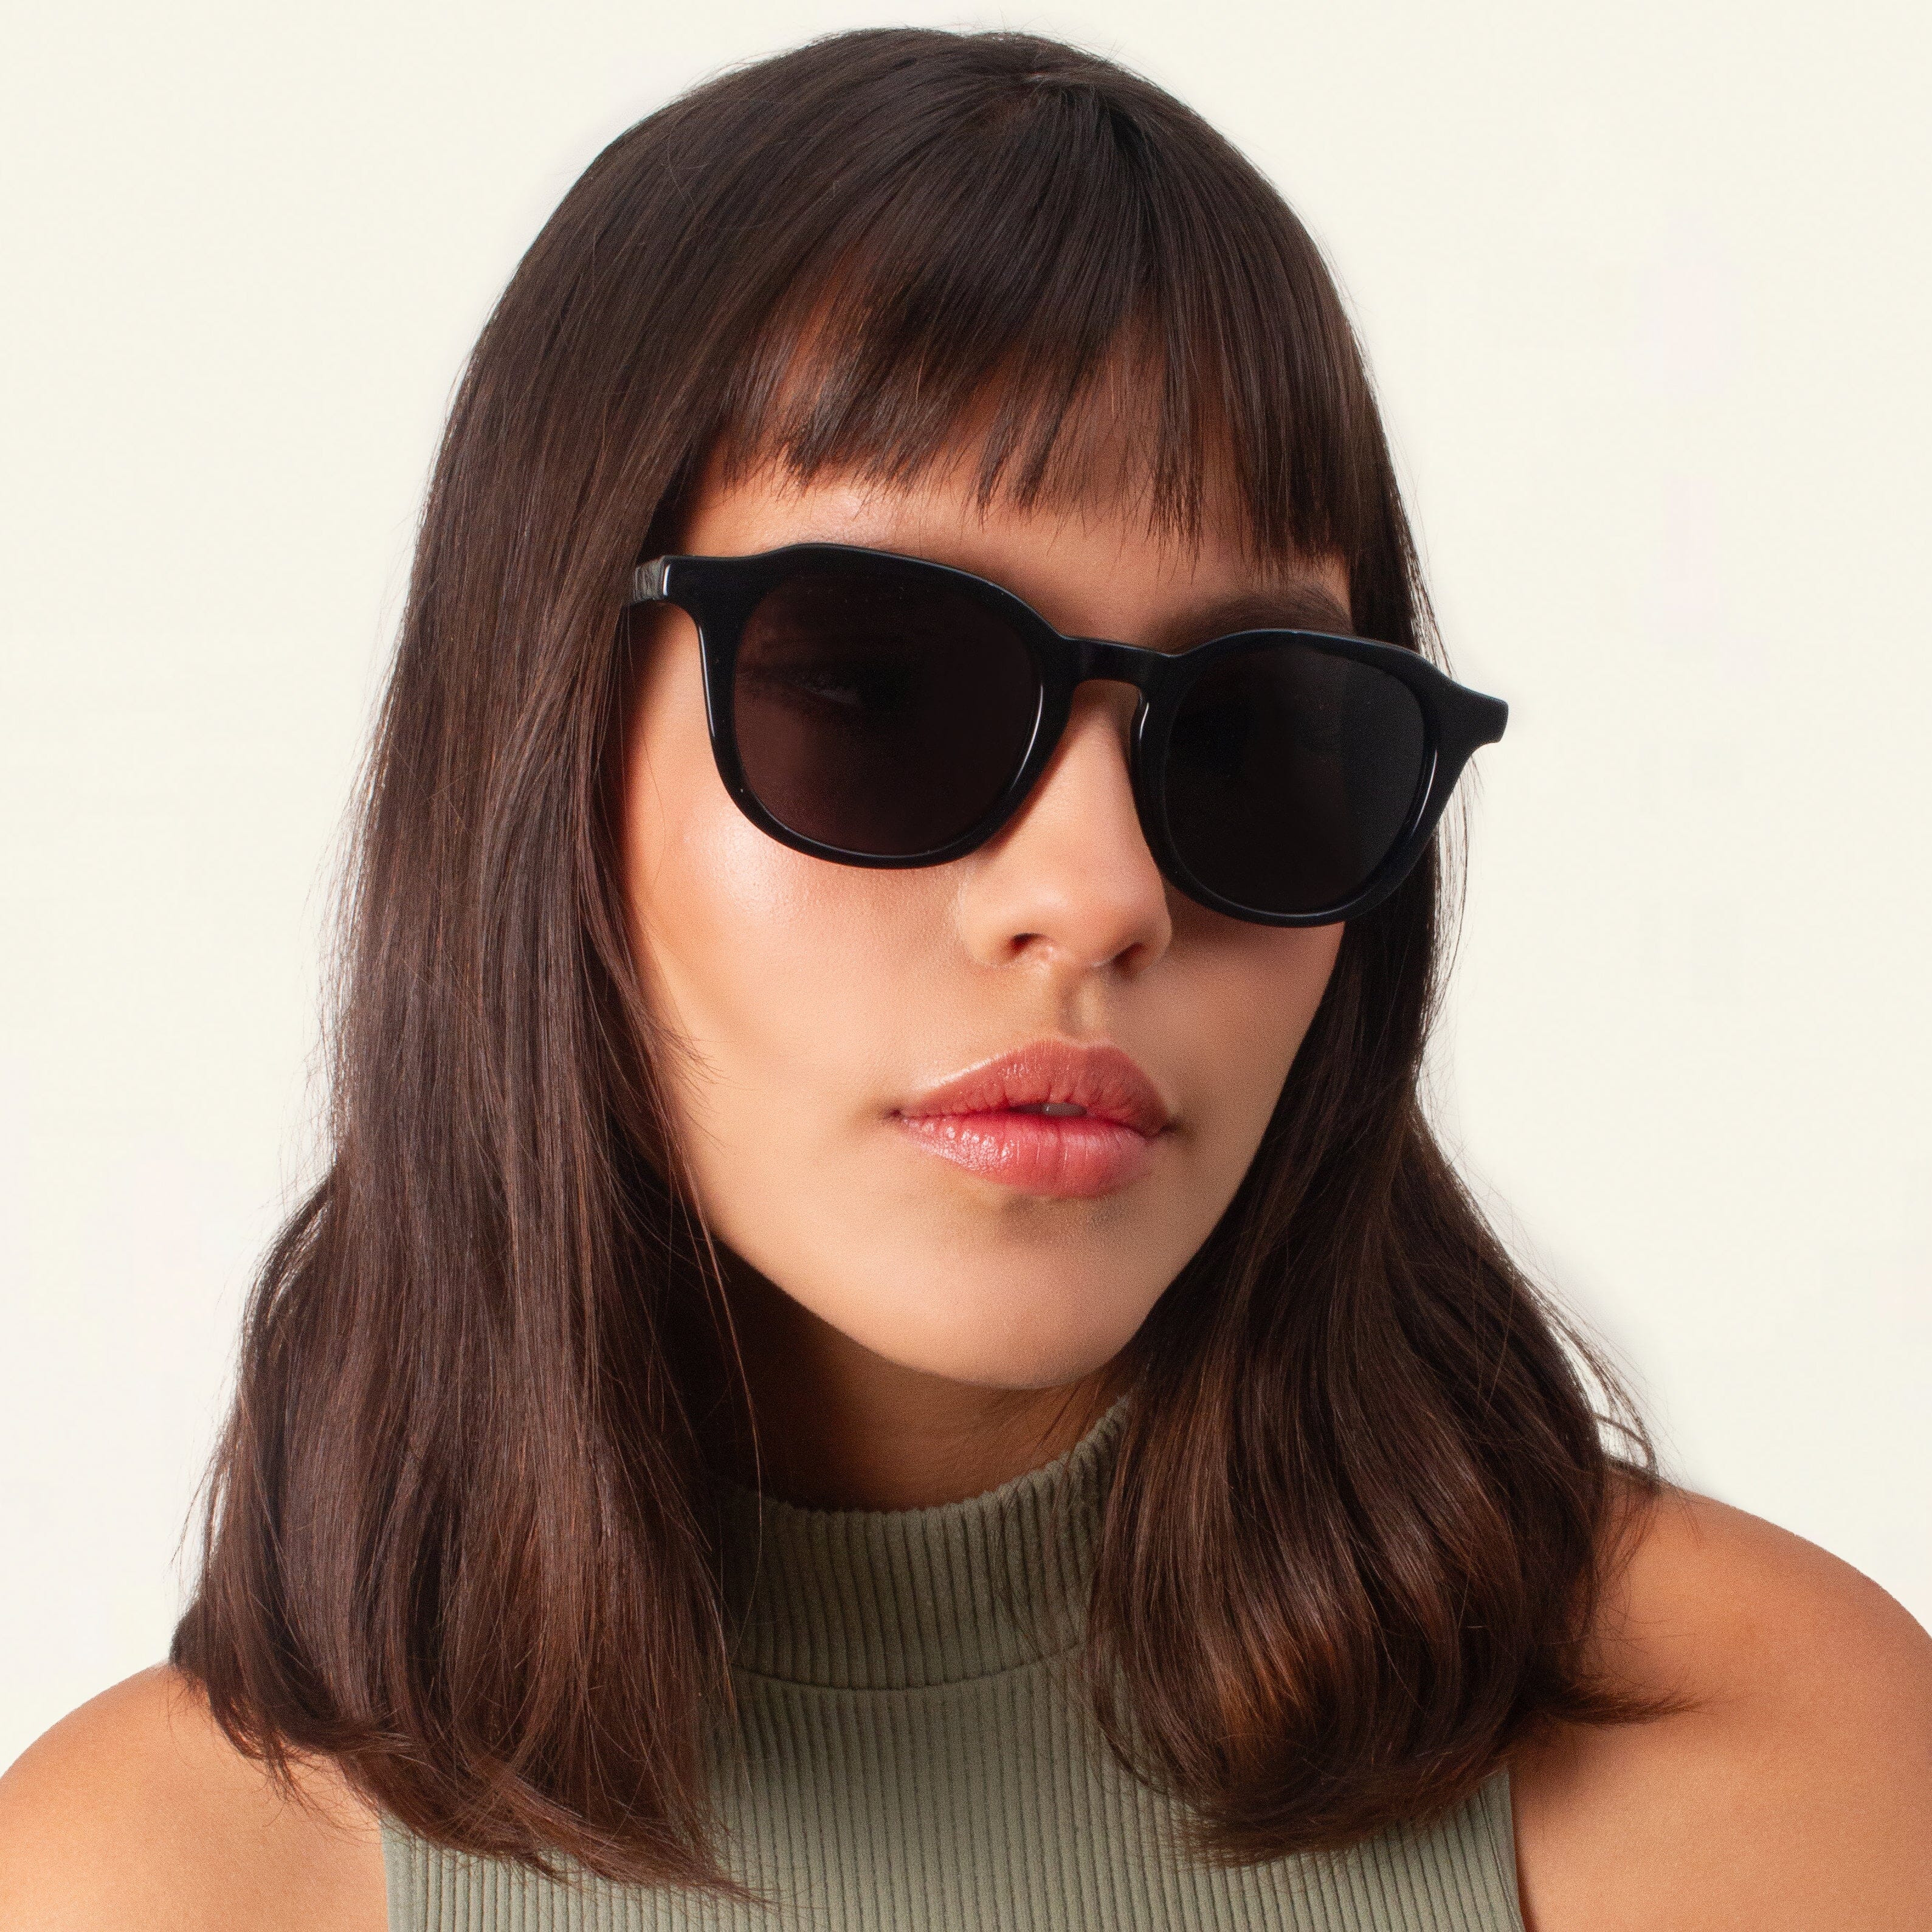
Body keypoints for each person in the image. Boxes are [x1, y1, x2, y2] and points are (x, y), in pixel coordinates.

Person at [1, 27, 1927, 1932]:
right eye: (875, 693)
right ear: (539, 747)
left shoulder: (1770, 1775)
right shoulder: (155, 1885)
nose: (1096, 897)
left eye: (1255, 732)